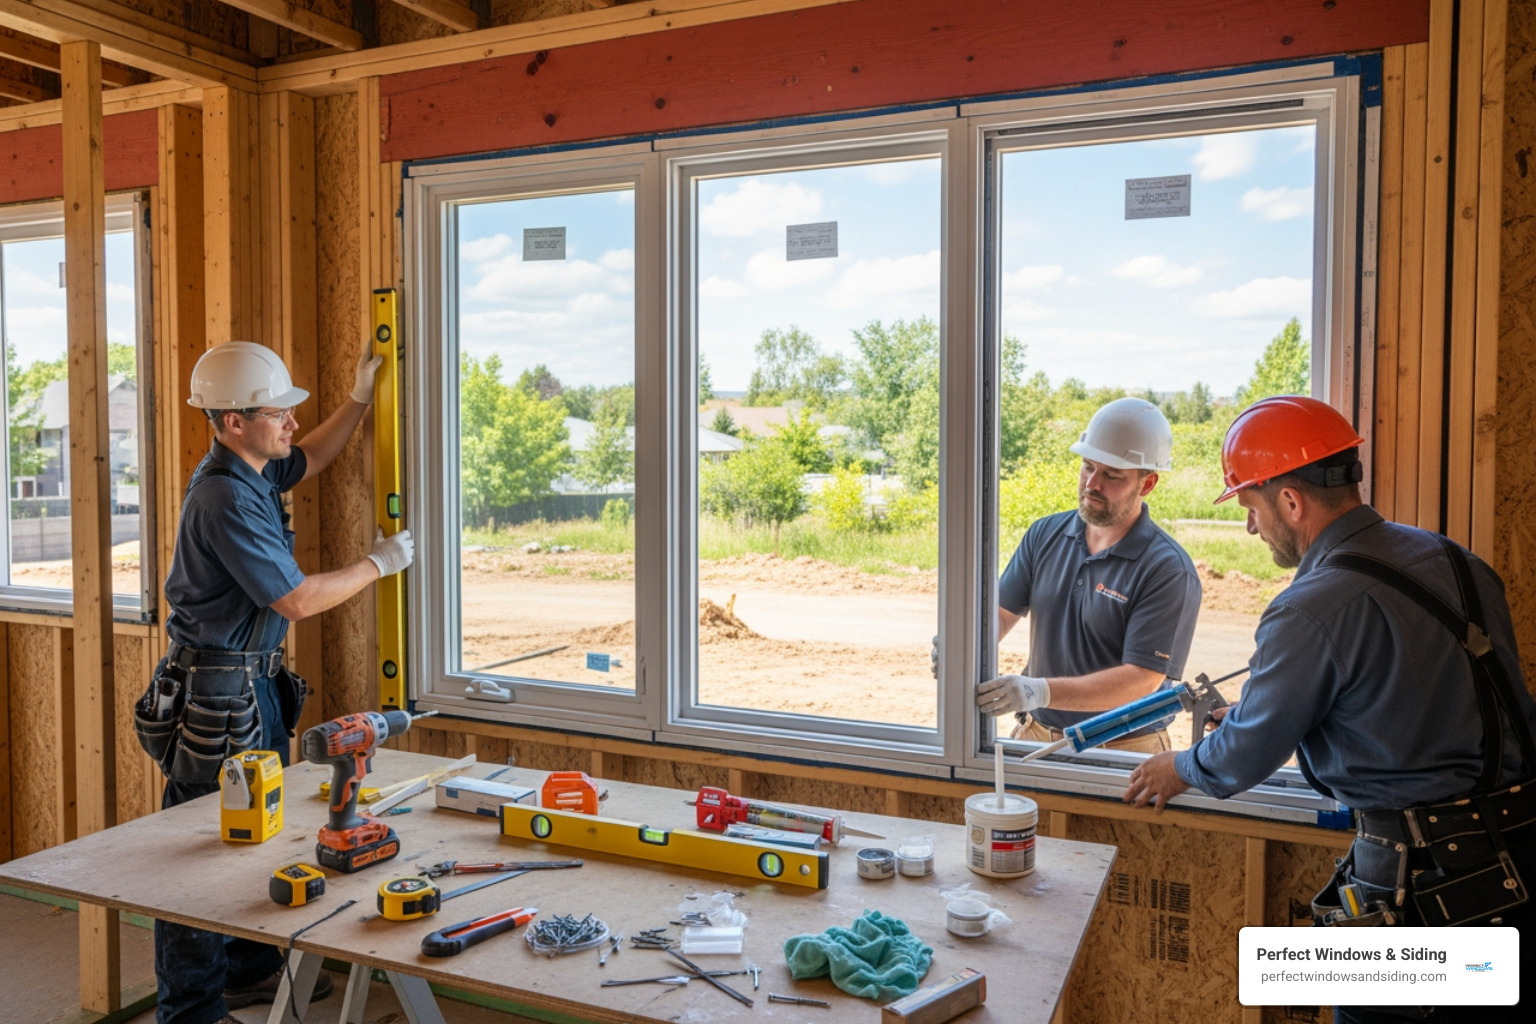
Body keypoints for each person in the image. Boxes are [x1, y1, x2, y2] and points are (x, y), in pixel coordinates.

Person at [1123, 395, 1536, 1024]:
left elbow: (1241, 759)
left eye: (1251, 507)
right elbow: (1414, 697)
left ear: (1290, 501)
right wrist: (1272, 705)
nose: (1250, 527)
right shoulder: (1460, 561)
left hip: (1424, 892)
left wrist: (1178, 767)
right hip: (1517, 861)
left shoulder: (1309, 606)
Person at [149, 341, 414, 1024]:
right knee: (201, 848)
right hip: (216, 695)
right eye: (279, 413)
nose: (291, 424)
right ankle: (192, 1008)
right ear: (233, 420)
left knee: (255, 829)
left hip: (252, 685)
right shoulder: (223, 495)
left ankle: (248, 969)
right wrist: (376, 565)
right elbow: (293, 600)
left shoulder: (254, 470)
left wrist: (358, 397)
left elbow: (313, 456)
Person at [973, 397, 1202, 752]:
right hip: (1038, 731)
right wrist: (965, 643)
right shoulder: (1044, 535)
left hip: (1124, 747)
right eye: (1087, 467)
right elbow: (999, 617)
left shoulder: (1167, 569)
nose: (1093, 483)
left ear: (1148, 483)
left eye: (1112, 475)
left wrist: (1039, 690)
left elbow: (1142, 679)